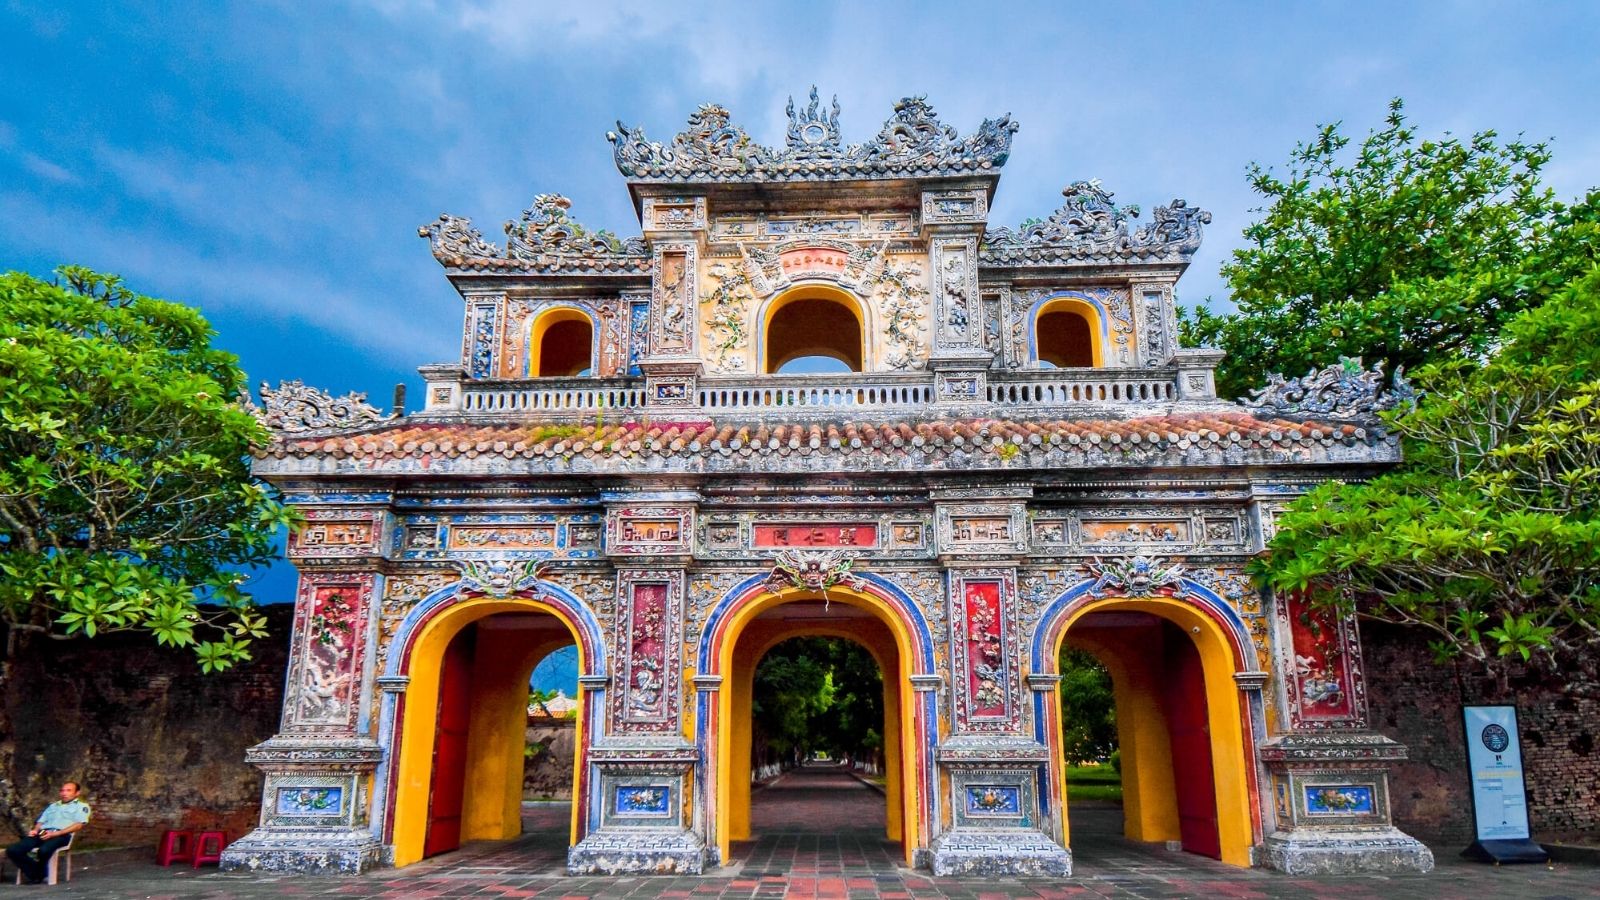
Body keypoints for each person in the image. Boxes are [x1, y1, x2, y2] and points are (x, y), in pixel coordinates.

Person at [5, 783, 90, 885]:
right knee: (13, 850)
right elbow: (41, 822)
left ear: (77, 793)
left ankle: (36, 875)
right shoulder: (53, 806)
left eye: (68, 790)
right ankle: (38, 873)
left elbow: (79, 825)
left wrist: (57, 833)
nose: (64, 793)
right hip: (43, 833)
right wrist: (35, 830)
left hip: (61, 834)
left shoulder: (82, 807)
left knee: (44, 850)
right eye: (62, 790)